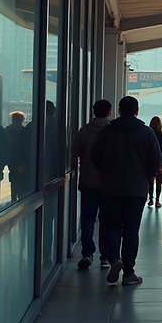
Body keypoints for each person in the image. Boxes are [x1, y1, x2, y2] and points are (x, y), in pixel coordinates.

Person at [91, 96, 162, 286]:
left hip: (111, 187)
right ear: (137, 111)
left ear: (119, 111)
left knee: (112, 226)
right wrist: (149, 175)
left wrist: (107, 171)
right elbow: (156, 158)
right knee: (131, 230)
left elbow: (95, 156)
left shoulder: (107, 132)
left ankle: (115, 259)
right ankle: (129, 273)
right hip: (137, 189)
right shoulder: (146, 133)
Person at [71, 100, 112, 269]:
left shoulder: (84, 131)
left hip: (88, 181)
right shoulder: (113, 131)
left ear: (94, 112)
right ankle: (105, 257)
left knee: (88, 218)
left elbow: (74, 153)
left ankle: (87, 254)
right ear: (109, 112)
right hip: (109, 184)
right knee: (106, 220)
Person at [5, 111, 27, 202]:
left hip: (12, 159)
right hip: (22, 159)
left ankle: (13, 197)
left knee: (13, 178)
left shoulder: (7, 130)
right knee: (21, 179)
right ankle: (20, 196)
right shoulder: (24, 130)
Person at [147, 116, 162, 207]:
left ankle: (151, 198)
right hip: (160, 162)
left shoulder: (148, 134)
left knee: (150, 181)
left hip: (150, 162)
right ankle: (157, 200)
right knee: (159, 183)